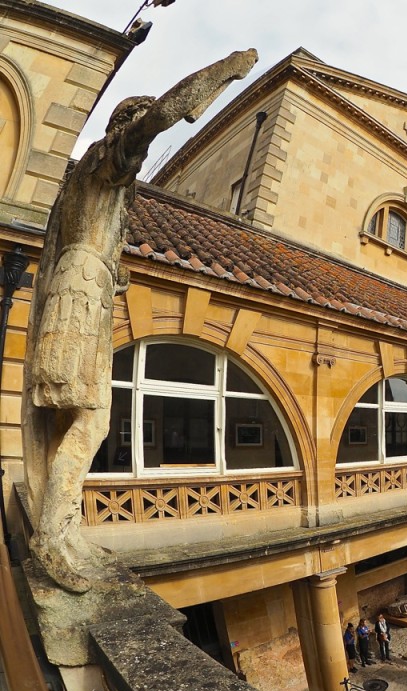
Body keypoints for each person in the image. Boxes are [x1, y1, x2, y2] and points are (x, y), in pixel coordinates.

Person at [21, 49, 259, 593]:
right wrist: (225, 70)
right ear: (124, 128)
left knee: (83, 420)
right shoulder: (106, 160)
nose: (142, 152)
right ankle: (53, 535)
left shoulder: (94, 185)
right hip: (80, 293)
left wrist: (115, 275)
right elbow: (159, 117)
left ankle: (61, 526)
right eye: (138, 130)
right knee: (89, 419)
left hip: (88, 287)